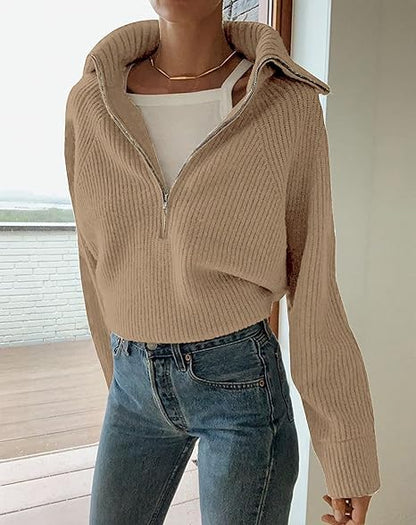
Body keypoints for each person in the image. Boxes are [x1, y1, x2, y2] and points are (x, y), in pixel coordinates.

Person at [64, 1, 381, 524]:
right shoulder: (90, 103)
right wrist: (118, 373)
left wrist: (346, 452)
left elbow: (315, 280)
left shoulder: (286, 102)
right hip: (132, 387)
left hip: (241, 384)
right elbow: (93, 258)